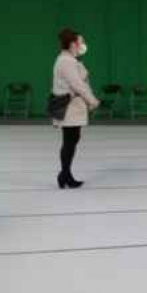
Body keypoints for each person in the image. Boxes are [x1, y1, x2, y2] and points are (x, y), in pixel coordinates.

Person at [51, 28, 99, 188]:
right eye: (81, 42)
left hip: (74, 106)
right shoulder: (66, 61)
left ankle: (66, 174)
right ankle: (64, 175)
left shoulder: (71, 60)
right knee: (69, 140)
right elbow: (78, 85)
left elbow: (82, 82)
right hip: (69, 106)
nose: (83, 44)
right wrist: (92, 101)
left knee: (72, 139)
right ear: (73, 44)